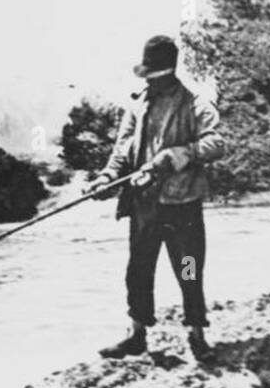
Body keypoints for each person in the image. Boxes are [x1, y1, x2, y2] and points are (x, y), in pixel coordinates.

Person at [87, 35, 226, 362]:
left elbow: (216, 144)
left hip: (183, 206)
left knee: (189, 269)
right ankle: (137, 335)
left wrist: (176, 156)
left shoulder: (195, 104)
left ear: (169, 71)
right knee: (138, 270)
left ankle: (197, 335)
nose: (149, 80)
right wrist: (106, 177)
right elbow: (122, 150)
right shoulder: (137, 103)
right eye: (147, 74)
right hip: (144, 204)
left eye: (155, 74)